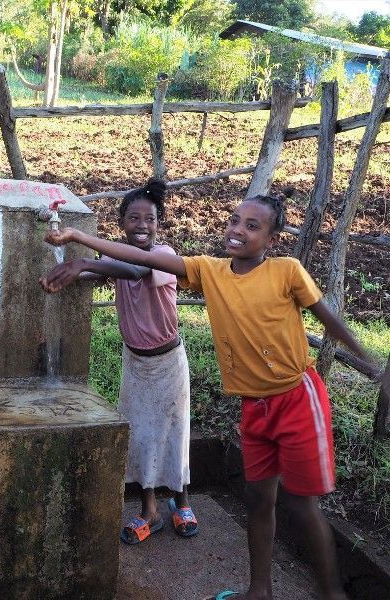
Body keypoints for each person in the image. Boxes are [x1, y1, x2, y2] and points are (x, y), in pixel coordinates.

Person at [41, 190, 385, 600]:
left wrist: (375, 368)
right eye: (234, 221)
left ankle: (333, 594)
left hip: (295, 398)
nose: (237, 230)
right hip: (252, 406)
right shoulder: (210, 270)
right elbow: (142, 260)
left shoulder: (287, 271)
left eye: (252, 226)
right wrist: (78, 239)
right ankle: (259, 591)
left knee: (300, 504)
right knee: (259, 500)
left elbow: (330, 321)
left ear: (272, 240)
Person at [47, 178, 197, 544]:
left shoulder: (163, 255)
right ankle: (150, 511)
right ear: (122, 225)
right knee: (141, 434)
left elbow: (134, 270)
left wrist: (84, 259)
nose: (142, 225)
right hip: (136, 363)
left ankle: (182, 502)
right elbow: (105, 269)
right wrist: (63, 273)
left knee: (175, 431)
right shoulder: (114, 260)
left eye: (150, 219)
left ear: (159, 225)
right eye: (133, 218)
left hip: (168, 363)